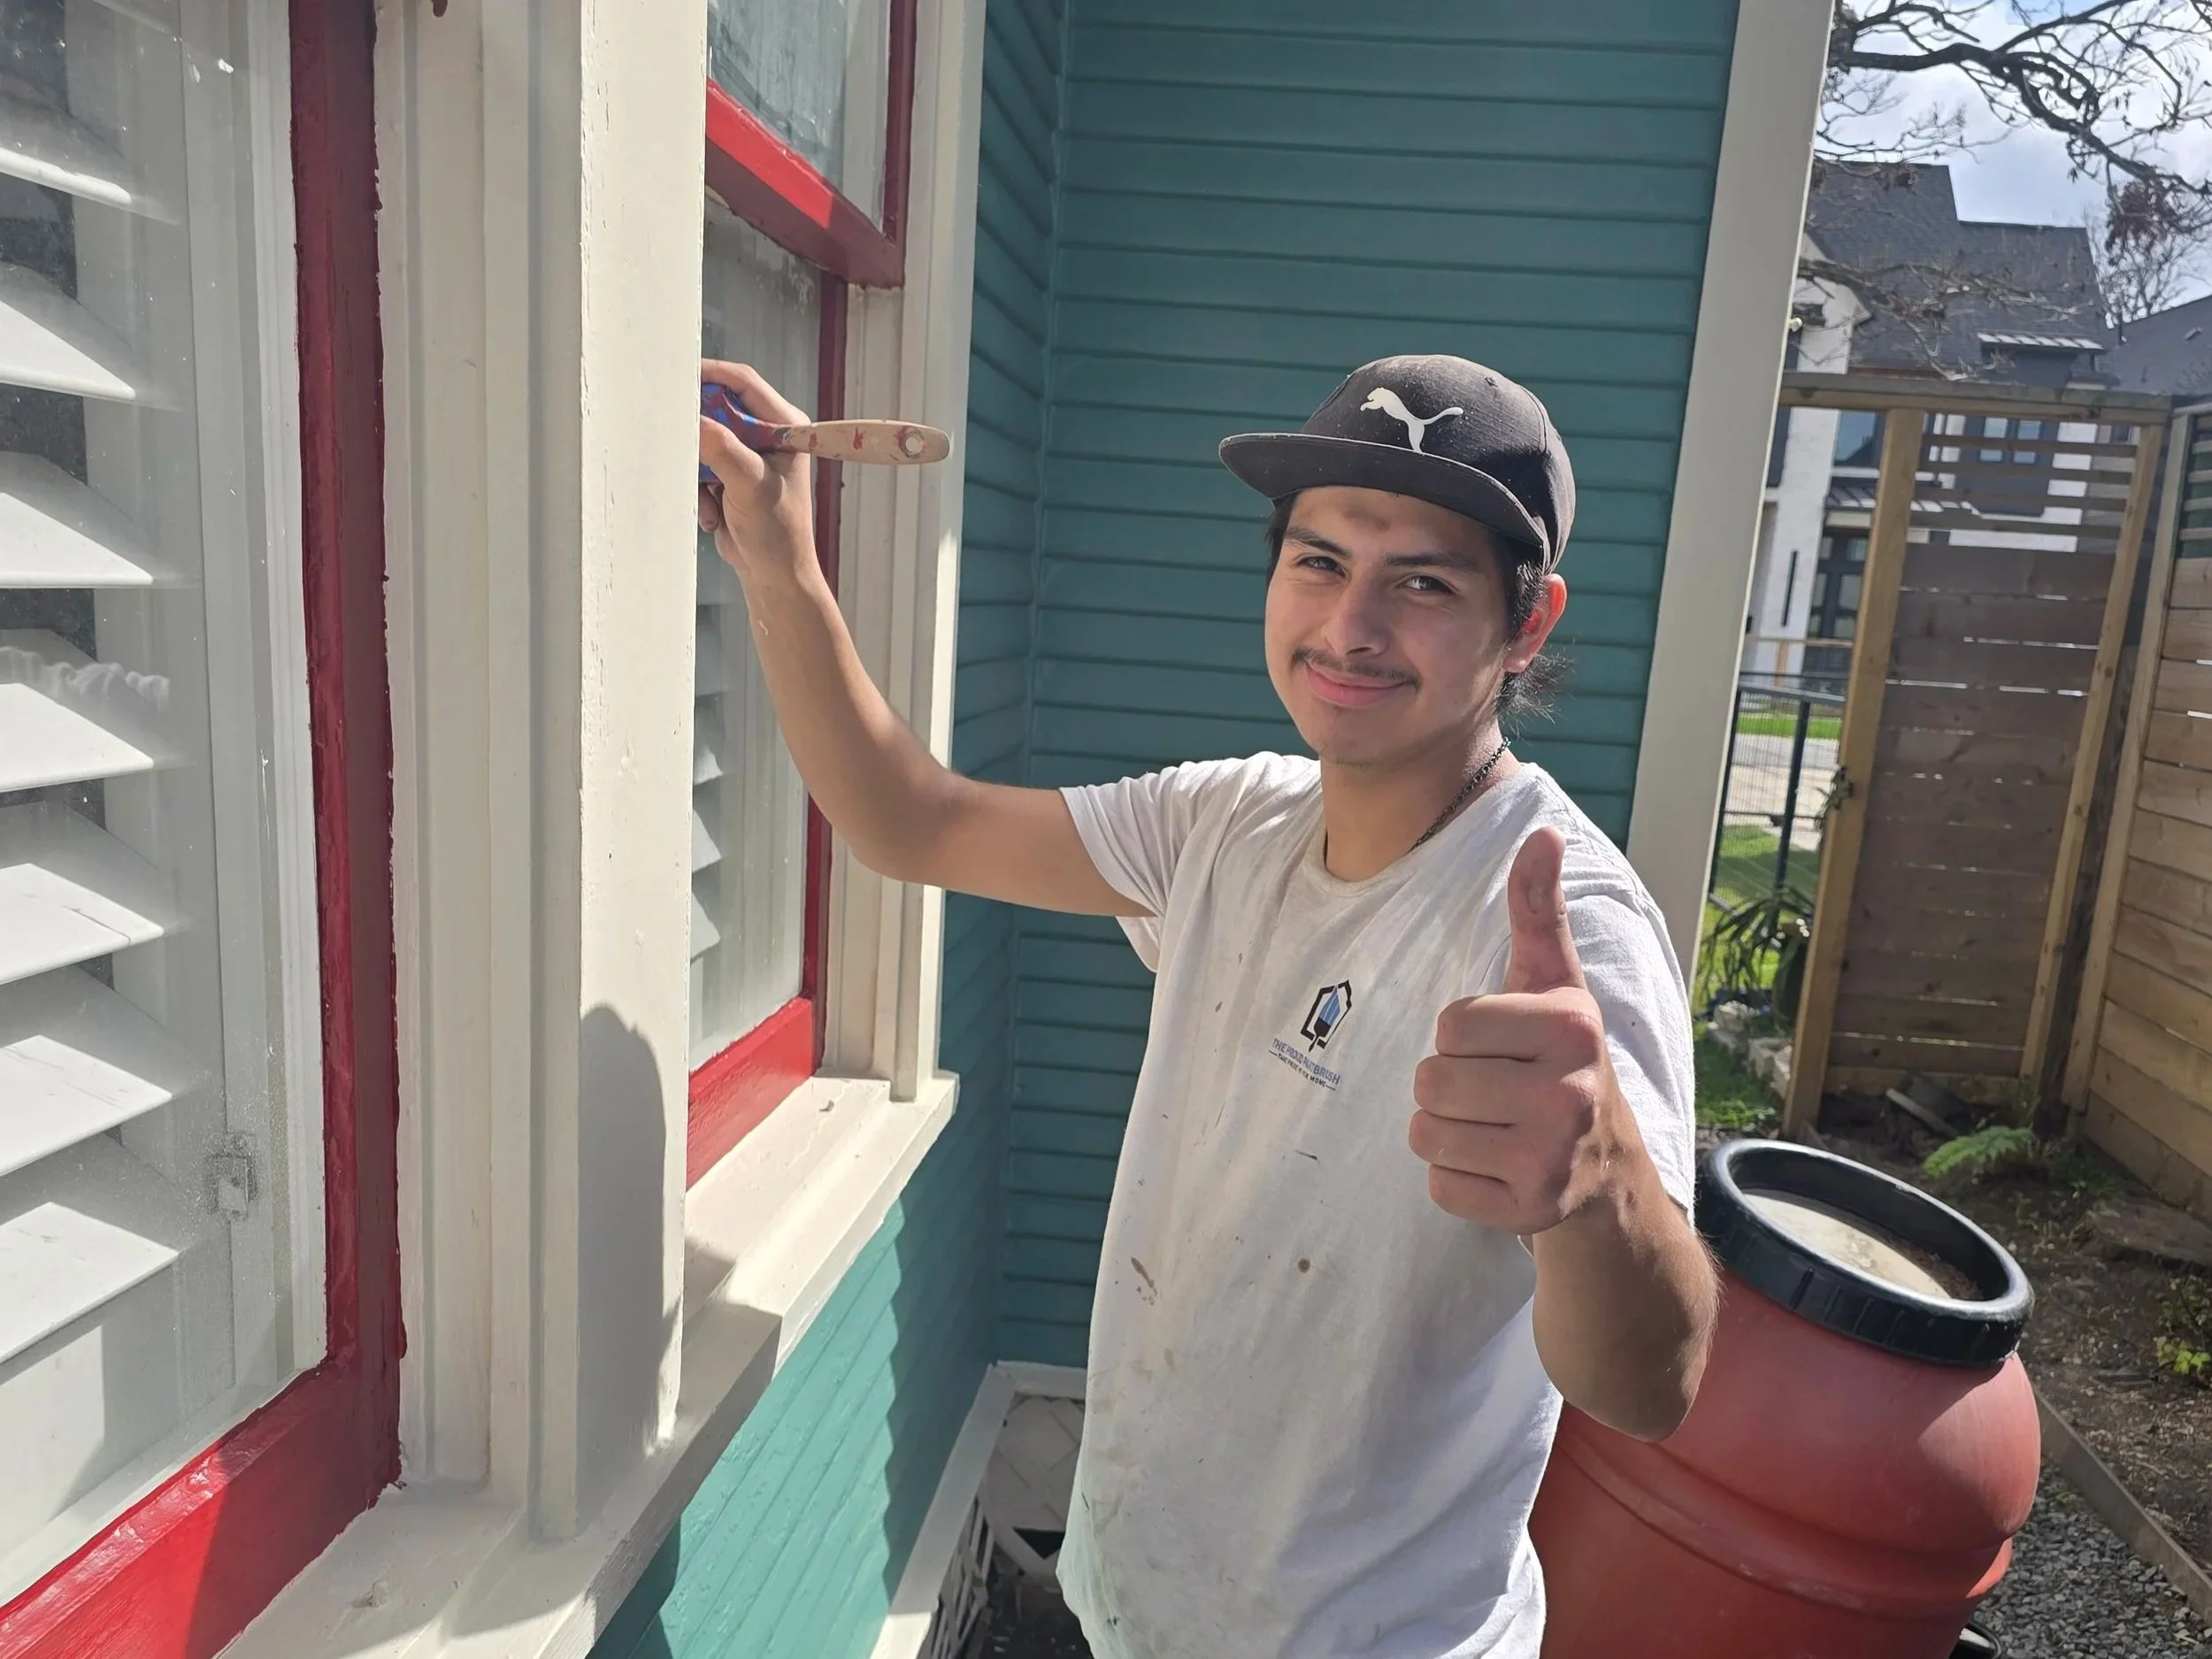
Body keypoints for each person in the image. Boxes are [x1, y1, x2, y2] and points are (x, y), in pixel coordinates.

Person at [698, 353, 1718, 1659]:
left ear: (1528, 623)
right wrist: (778, 563)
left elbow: (1649, 1387)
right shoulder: (1227, 823)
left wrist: (1599, 1188)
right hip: (1139, 1602)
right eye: (1319, 560)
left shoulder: (1562, 926)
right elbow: (914, 818)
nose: (1351, 626)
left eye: (1423, 582)